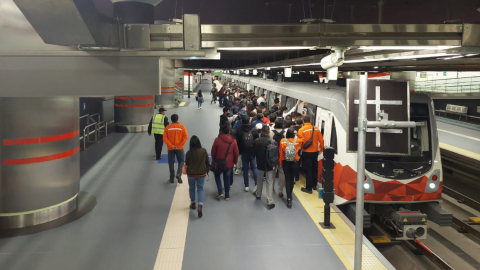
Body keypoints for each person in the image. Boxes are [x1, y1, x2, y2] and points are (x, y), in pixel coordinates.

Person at [211, 124, 239, 201]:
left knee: (217, 176)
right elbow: (236, 153)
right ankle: (227, 195)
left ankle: (220, 191)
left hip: (218, 162)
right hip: (228, 163)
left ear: (221, 131)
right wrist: (235, 161)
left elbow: (213, 152)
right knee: (227, 178)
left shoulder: (217, 140)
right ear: (229, 131)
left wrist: (214, 160)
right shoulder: (233, 141)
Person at [297, 115, 324, 194]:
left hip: (306, 152)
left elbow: (300, 142)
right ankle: (314, 185)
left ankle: (308, 189)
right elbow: (321, 140)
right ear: (310, 121)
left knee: (308, 170)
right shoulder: (316, 128)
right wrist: (321, 149)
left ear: (303, 122)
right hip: (315, 152)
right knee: (314, 169)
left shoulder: (302, 130)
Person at [185, 136, 210, 218]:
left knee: (191, 188)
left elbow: (187, 164)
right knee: (200, 189)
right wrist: (207, 170)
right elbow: (207, 162)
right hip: (201, 174)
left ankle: (193, 203)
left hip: (191, 174)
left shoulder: (189, 153)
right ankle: (200, 205)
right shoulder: (203, 151)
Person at [279, 129, 303, 208]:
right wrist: (298, 134)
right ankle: (290, 195)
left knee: (287, 179)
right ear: (293, 135)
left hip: (286, 163)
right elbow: (304, 139)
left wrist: (281, 163)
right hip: (294, 163)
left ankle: (288, 197)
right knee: (292, 179)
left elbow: (281, 153)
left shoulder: (282, 141)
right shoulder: (297, 141)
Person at [253, 125, 275, 210]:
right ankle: (270, 201)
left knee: (259, 179)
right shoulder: (272, 141)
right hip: (269, 165)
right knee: (269, 182)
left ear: (261, 131)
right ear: (269, 132)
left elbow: (254, 153)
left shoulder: (256, 141)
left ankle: (258, 194)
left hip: (260, 163)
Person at [236, 115, 259, 192]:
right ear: (249, 120)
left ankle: (246, 186)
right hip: (252, 151)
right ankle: (256, 184)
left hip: (243, 151)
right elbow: (257, 139)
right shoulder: (253, 129)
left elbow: (237, 141)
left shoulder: (239, 129)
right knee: (254, 168)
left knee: (245, 169)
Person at [163, 114, 188, 184]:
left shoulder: (168, 128)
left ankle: (171, 177)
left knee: (171, 162)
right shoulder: (182, 127)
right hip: (179, 148)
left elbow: (165, 138)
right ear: (177, 119)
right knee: (181, 161)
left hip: (171, 148)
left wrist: (172, 146)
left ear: (171, 120)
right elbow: (185, 137)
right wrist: (179, 145)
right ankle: (178, 174)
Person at [269, 119, 286, 197]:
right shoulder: (285, 133)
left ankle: (271, 187)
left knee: (272, 171)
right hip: (282, 155)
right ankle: (280, 190)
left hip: (273, 155)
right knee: (281, 172)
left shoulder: (271, 132)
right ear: (282, 125)